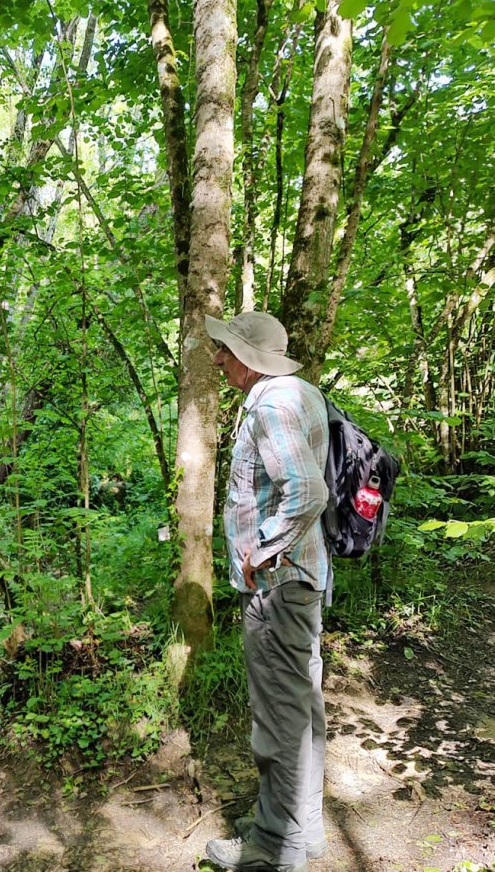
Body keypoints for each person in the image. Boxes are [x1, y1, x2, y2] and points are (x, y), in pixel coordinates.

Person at [202, 312, 331, 872]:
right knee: (302, 710)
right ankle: (305, 828)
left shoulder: (272, 404)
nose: (219, 359)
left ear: (251, 357)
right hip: (300, 583)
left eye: (226, 351)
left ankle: (274, 849)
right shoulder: (299, 394)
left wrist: (261, 549)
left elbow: (305, 492)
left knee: (279, 717)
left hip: (279, 587)